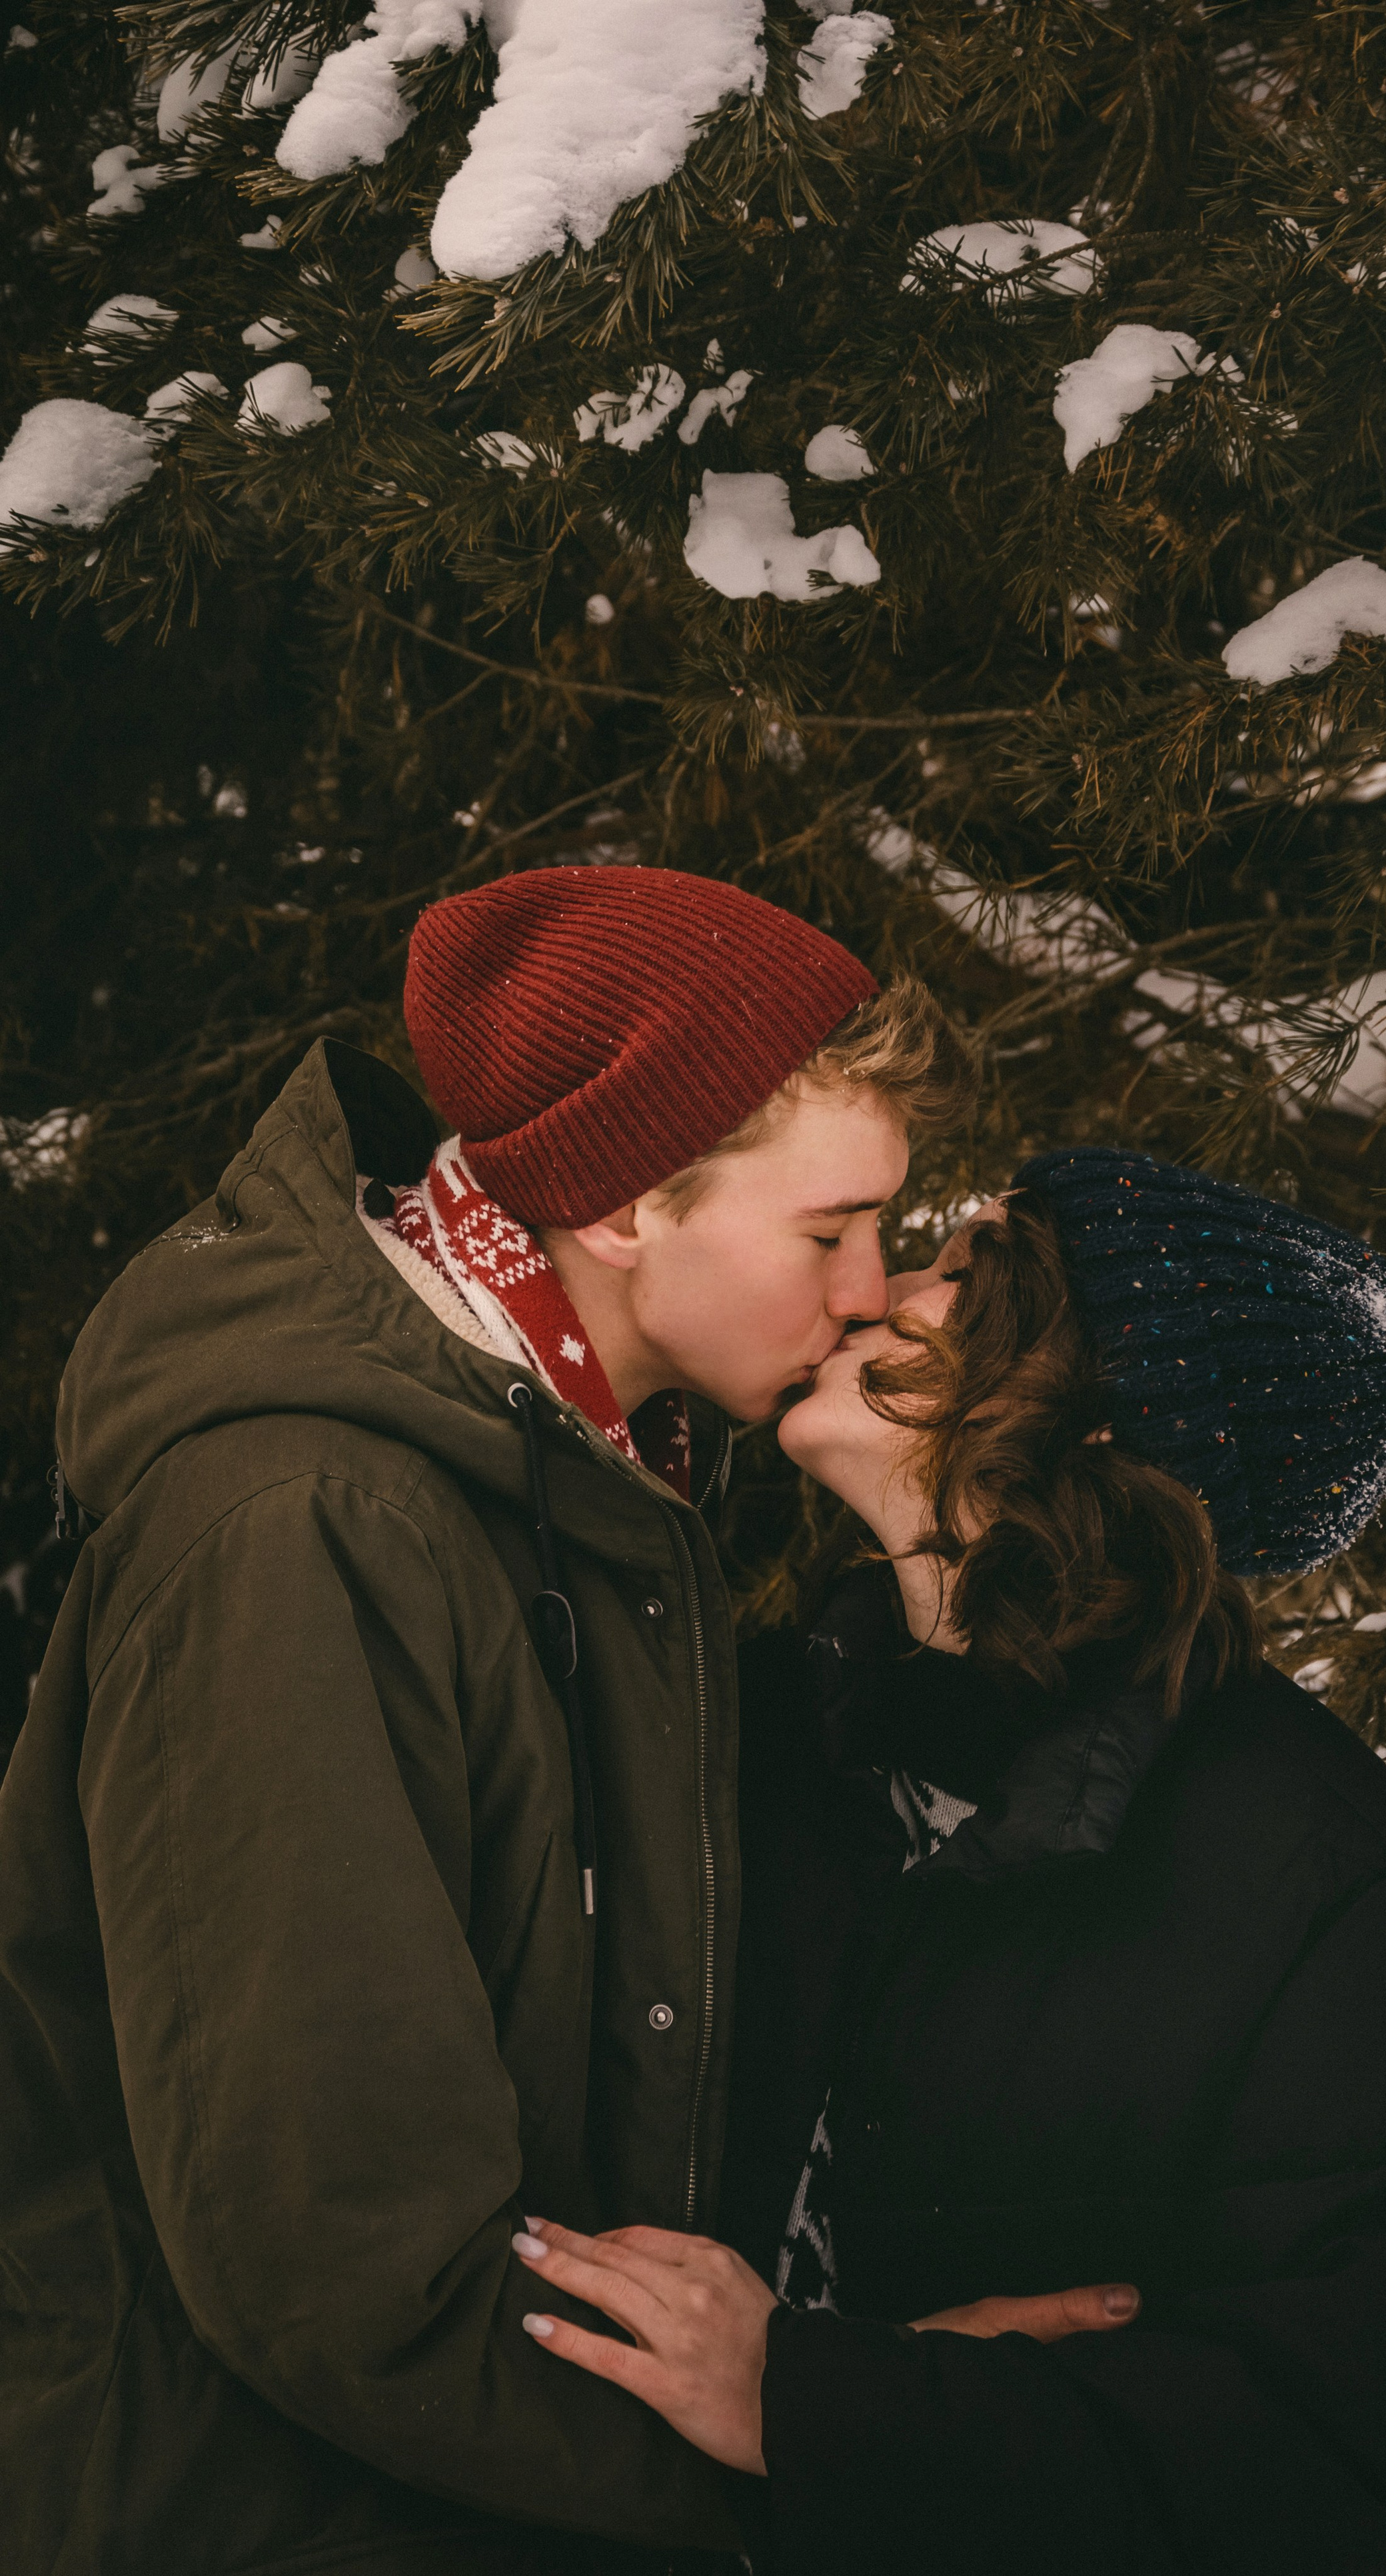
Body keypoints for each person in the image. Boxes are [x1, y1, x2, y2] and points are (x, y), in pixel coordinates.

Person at [0, 864, 996, 2576]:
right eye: (827, 1231)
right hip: (255, 2512)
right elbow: (340, 2255)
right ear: (619, 1205)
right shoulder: (310, 1528)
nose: (863, 1290)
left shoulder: (599, 1488)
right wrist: (786, 2469)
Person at [510, 1147, 1386, 2575]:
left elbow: (1319, 2460)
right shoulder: (768, 1731)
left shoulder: (1339, 1893)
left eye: (966, 1280)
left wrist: (820, 2396)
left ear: (1098, 1427)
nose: (877, 1291)